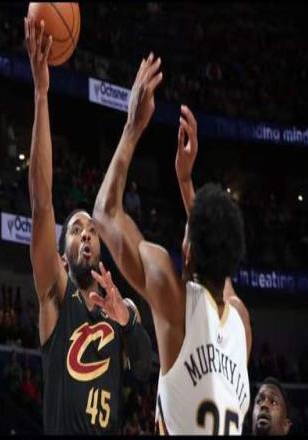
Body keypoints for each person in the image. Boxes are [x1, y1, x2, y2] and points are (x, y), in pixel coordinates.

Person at [92, 53, 251, 435]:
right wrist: (185, 182)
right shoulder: (240, 323)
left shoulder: (173, 298)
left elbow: (105, 213)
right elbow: (218, 261)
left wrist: (133, 126)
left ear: (188, 252)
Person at [24, 16, 152, 435]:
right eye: (77, 230)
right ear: (62, 255)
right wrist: (41, 94)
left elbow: (146, 369)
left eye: (92, 230)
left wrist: (127, 319)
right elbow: (42, 204)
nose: (87, 234)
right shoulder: (57, 296)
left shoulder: (122, 308)